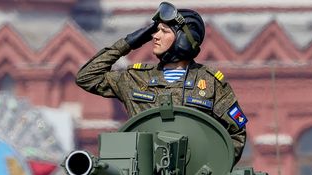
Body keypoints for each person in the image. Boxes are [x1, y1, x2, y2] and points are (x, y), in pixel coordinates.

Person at [76, 1, 247, 164]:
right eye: (156, 31)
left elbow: (236, 133)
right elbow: (86, 77)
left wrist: (211, 170)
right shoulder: (135, 78)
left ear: (183, 39)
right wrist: (128, 43)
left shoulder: (210, 82)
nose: (155, 37)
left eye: (164, 31)